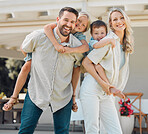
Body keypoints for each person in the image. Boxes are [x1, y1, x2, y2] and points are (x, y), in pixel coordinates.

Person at [11, 7, 83, 134]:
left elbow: (76, 71)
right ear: (58, 19)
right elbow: (25, 48)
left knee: (62, 132)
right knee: (25, 130)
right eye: (66, 20)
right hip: (36, 92)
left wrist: (73, 96)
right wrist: (30, 61)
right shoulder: (38, 37)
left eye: (72, 22)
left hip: (63, 96)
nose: (68, 24)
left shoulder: (77, 46)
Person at [2, 12, 90, 113]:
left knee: (77, 68)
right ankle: (13, 97)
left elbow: (85, 47)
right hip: (45, 52)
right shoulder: (61, 25)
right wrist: (56, 44)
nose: (79, 25)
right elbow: (47, 27)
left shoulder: (79, 36)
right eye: (78, 21)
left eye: (83, 25)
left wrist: (69, 50)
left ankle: (73, 98)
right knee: (27, 66)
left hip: (68, 58)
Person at [80, 7, 134, 134]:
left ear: (126, 20)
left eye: (121, 18)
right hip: (92, 89)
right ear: (110, 24)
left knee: (115, 130)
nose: (119, 21)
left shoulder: (124, 44)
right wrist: (104, 84)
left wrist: (110, 88)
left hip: (106, 92)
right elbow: (86, 63)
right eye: (115, 19)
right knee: (93, 129)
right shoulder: (108, 41)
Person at [87, 20, 125, 98]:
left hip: (98, 62)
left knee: (100, 67)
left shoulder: (105, 39)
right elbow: (96, 46)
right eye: (96, 33)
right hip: (92, 63)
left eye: (102, 33)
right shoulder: (93, 41)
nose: (99, 36)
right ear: (91, 34)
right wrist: (109, 40)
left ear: (106, 33)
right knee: (98, 67)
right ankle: (109, 86)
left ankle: (109, 86)